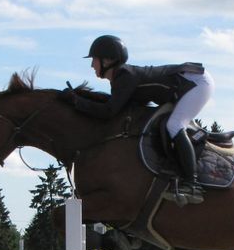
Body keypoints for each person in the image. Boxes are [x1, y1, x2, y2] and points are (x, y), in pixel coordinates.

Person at [61, 35, 214, 202]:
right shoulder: (121, 77)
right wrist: (80, 100)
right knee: (170, 124)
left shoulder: (124, 75)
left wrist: (76, 102)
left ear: (107, 60)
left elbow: (109, 111)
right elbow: (114, 105)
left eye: (94, 60)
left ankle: (192, 185)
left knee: (174, 125)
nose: (92, 65)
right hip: (187, 83)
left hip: (196, 83)